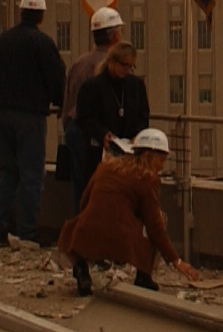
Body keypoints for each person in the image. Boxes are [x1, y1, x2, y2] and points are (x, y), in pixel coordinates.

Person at [59, 127, 200, 296]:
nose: (161, 166)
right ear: (151, 156)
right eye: (161, 160)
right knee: (161, 218)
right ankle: (144, 275)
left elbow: (84, 201)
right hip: (122, 241)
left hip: (88, 232)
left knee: (71, 235)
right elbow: (154, 226)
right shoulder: (148, 178)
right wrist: (176, 261)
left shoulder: (105, 167)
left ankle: (81, 270)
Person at [0, 0, 65, 246]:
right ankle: (27, 232)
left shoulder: (3, 40)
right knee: (32, 174)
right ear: (41, 15)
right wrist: (61, 102)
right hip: (29, 116)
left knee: (9, 171)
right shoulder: (42, 43)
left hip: (1, 112)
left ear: (21, 12)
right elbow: (56, 77)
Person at [56, 6, 128, 205]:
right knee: (100, 189)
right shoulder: (111, 67)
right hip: (97, 136)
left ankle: (81, 229)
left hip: (74, 129)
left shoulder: (79, 63)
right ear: (114, 36)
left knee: (80, 188)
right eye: (119, 31)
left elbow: (67, 101)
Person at [73, 36, 150, 174]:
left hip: (129, 153)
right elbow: (84, 118)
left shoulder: (136, 86)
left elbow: (143, 116)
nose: (127, 70)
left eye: (131, 66)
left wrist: (137, 135)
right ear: (112, 62)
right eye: (123, 65)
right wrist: (102, 134)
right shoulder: (91, 87)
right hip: (98, 152)